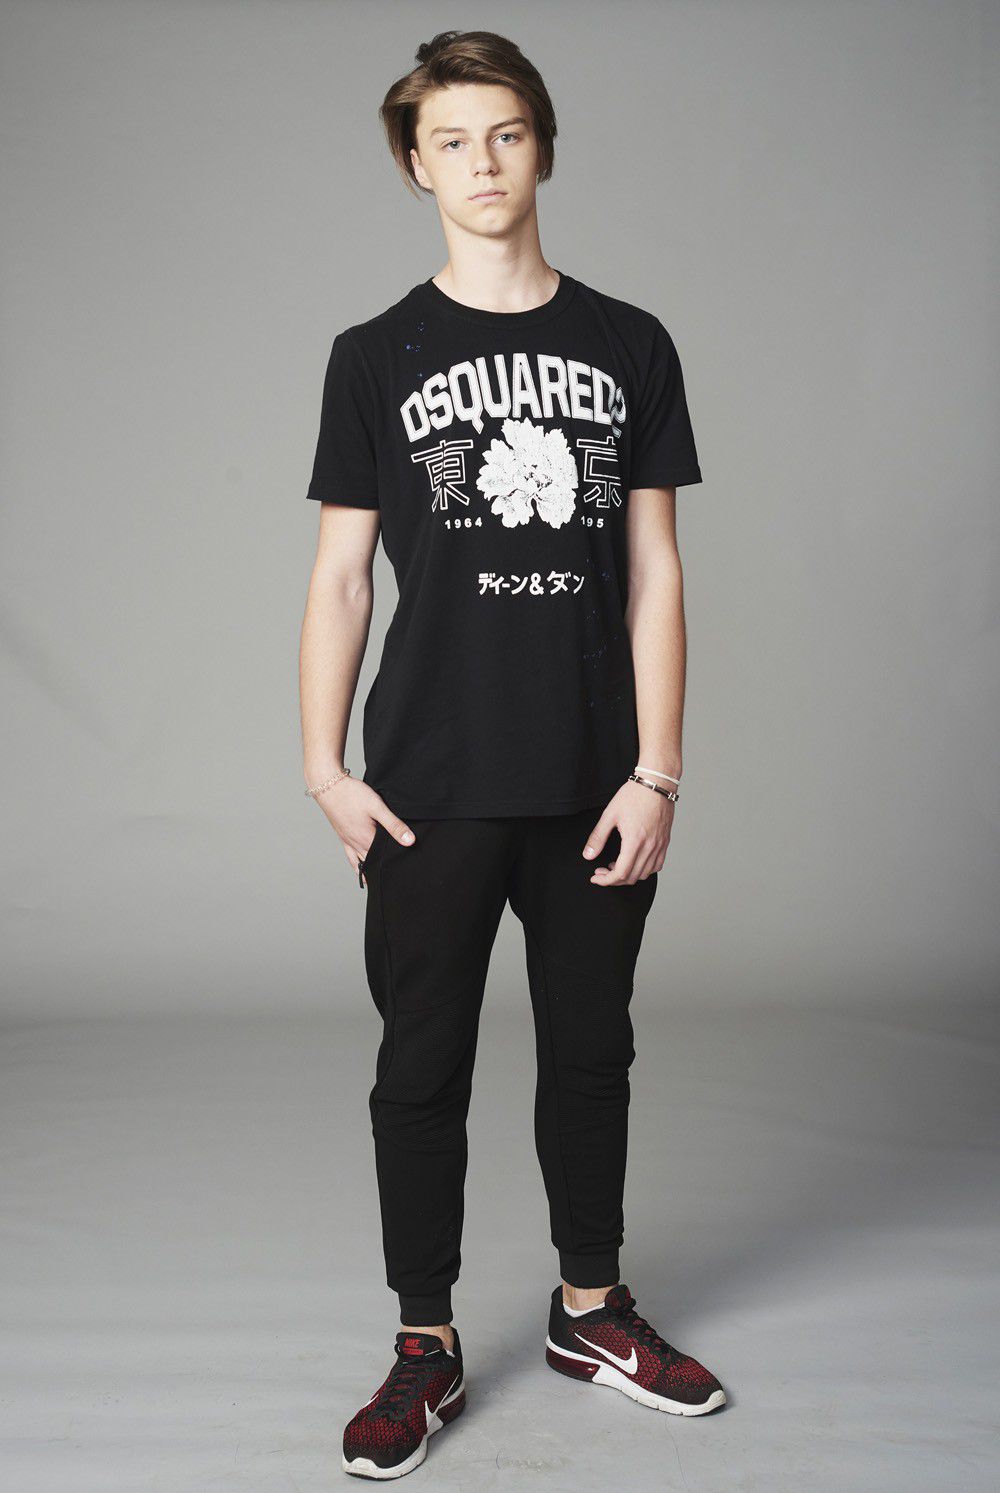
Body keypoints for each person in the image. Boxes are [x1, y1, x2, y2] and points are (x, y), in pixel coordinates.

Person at [299, 28, 727, 1481]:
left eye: (505, 135)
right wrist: (324, 766)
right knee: (420, 1064)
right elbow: (342, 579)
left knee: (592, 1051)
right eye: (451, 142)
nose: (481, 164)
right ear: (414, 167)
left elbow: (657, 572)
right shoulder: (374, 357)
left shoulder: (632, 343)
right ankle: (423, 1343)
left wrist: (658, 771)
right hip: (425, 784)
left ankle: (589, 1310)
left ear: (542, 146)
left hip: (596, 778)